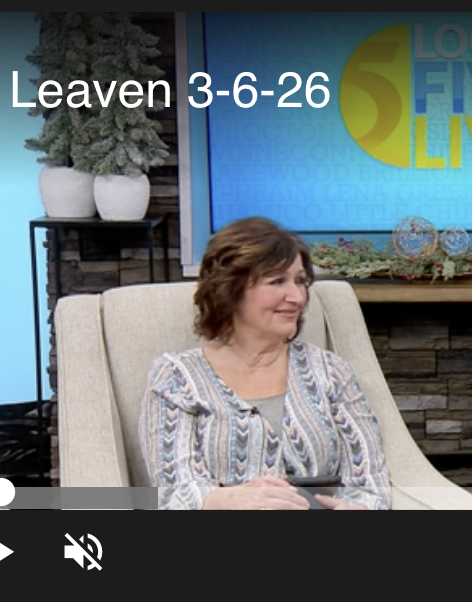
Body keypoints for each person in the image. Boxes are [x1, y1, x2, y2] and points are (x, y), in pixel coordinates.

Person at [138, 217, 390, 510]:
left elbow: (371, 482)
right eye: (277, 281)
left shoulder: (331, 371)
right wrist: (231, 500)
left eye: (300, 281)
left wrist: (356, 509)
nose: (297, 297)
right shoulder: (176, 379)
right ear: (230, 289)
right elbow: (173, 494)